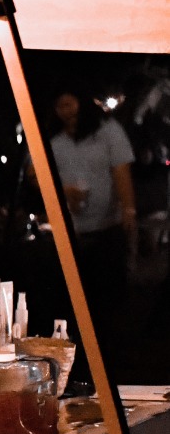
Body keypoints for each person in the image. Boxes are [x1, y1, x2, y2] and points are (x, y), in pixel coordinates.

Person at [47, 90, 137, 331]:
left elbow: (121, 170)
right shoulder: (55, 140)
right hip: (71, 232)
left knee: (108, 299)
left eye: (70, 104)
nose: (66, 111)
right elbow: (36, 174)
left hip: (107, 228)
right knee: (74, 300)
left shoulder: (108, 131)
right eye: (60, 106)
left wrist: (128, 210)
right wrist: (64, 191)